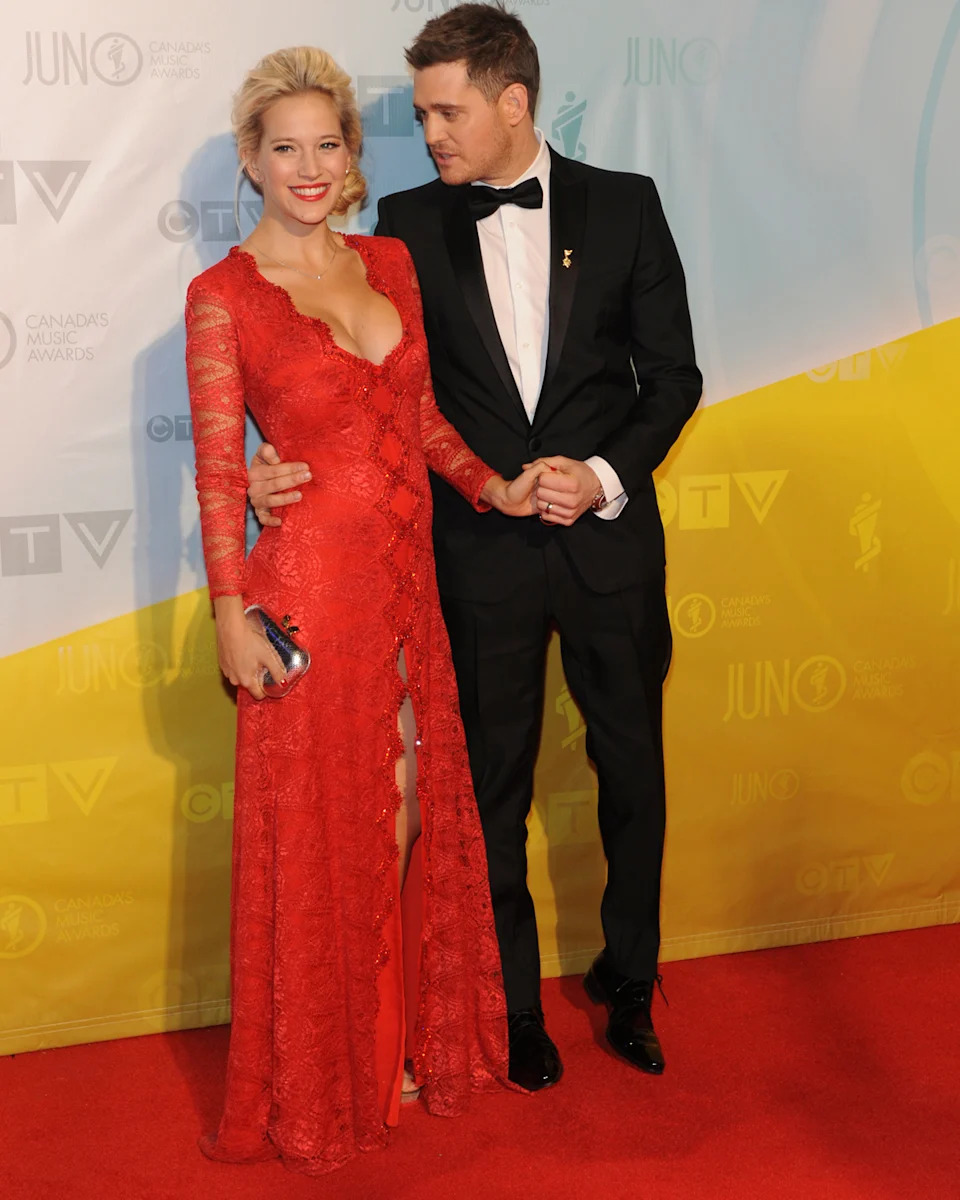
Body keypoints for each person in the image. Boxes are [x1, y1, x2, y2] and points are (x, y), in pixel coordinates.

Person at [248, 4, 702, 1092]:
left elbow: (671, 377)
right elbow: (355, 384)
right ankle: (510, 1009)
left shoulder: (626, 205)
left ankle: (630, 984)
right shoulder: (400, 226)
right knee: (486, 788)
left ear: (514, 102)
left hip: (607, 547)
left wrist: (596, 477)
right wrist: (272, 472)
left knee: (632, 769)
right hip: (476, 553)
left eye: (447, 112)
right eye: (419, 113)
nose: (431, 133)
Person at [185, 46, 548, 1176]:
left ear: (351, 155)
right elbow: (212, 470)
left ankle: (376, 1032)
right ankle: (323, 1059)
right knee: (322, 830)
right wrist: (229, 613)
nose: (307, 165)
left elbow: (424, 422)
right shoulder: (222, 298)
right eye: (283, 147)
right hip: (306, 598)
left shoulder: (388, 262)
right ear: (251, 161)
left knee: (394, 814)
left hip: (403, 588)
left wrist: (494, 485)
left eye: (327, 144)